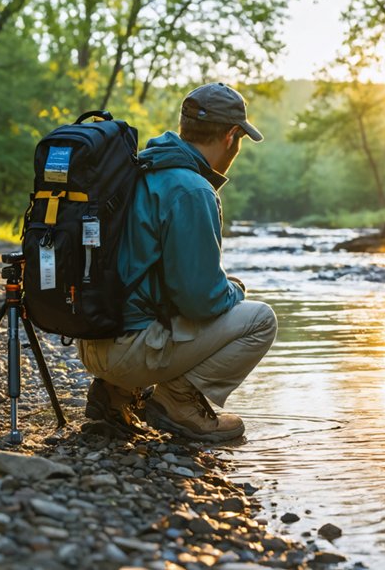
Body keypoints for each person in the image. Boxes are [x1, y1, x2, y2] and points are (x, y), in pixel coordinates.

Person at [77, 82, 277, 443]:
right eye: (240, 139)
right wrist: (234, 290)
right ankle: (177, 402)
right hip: (129, 353)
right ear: (232, 135)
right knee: (260, 320)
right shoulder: (192, 189)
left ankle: (115, 395)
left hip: (92, 341)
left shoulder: (140, 168)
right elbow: (200, 300)